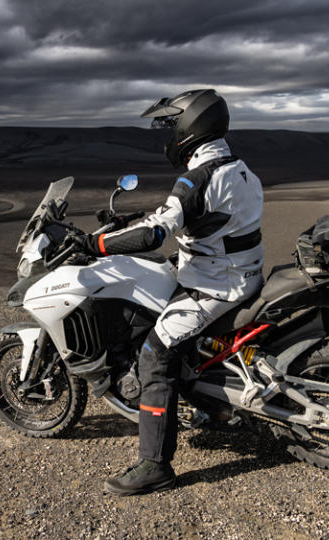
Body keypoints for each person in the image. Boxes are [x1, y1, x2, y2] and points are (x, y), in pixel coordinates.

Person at [75, 89, 265, 495]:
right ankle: (211, 407)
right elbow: (190, 219)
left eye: (171, 125)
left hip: (216, 286)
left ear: (189, 127)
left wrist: (97, 245)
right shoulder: (239, 166)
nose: (167, 134)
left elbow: (153, 233)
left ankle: (154, 465)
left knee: (156, 353)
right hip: (241, 274)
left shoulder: (197, 178)